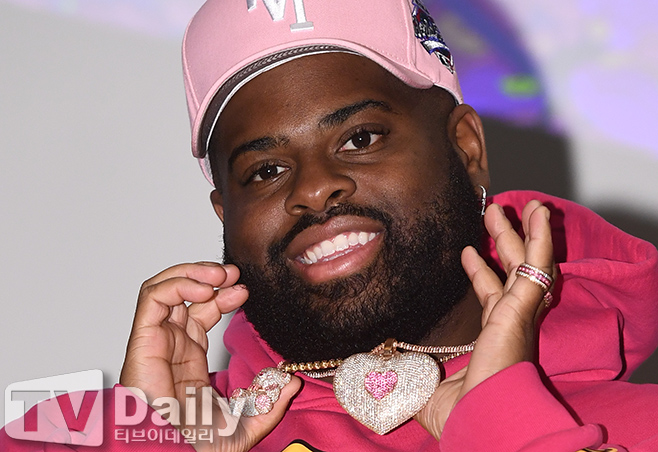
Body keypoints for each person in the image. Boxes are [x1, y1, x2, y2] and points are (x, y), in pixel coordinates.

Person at [2, 0, 658, 451]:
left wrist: (506, 426)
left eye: (360, 138)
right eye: (264, 170)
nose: (313, 189)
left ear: (466, 148)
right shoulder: (81, 435)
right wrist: (151, 441)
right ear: (226, 217)